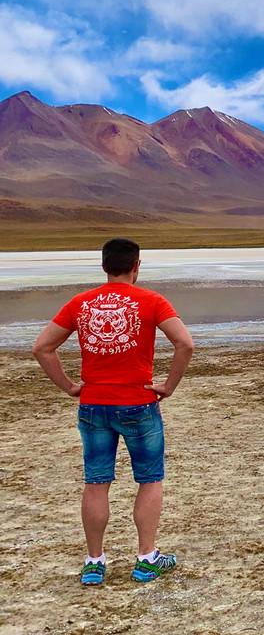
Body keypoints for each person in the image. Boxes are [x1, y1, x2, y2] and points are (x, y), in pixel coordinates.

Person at [31, 238, 194, 586]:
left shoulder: (80, 303)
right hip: (138, 404)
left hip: (93, 405)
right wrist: (168, 386)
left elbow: (42, 347)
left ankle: (94, 562)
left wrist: (70, 386)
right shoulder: (152, 301)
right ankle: (147, 559)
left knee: (96, 481)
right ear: (137, 266)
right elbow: (185, 343)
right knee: (149, 479)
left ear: (104, 266)